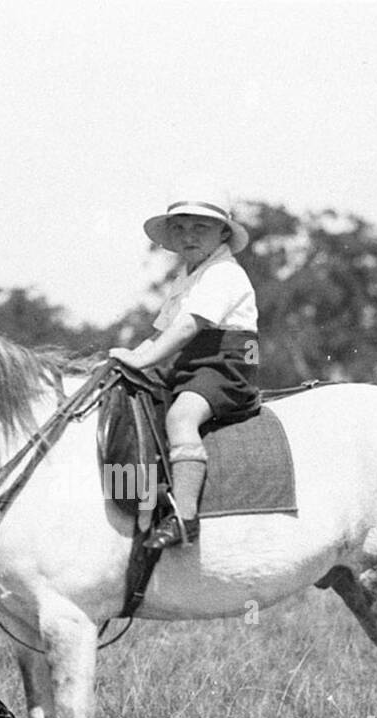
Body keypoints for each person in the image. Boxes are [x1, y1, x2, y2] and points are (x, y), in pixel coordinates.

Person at [110, 197, 260, 548]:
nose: (188, 236)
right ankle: (138, 497)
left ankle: (185, 517)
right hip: (191, 365)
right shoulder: (186, 275)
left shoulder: (224, 272)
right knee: (136, 404)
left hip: (226, 365)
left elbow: (187, 328)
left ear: (223, 232)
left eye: (200, 227)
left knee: (181, 417)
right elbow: (163, 332)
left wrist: (143, 362)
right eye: (179, 227)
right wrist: (130, 356)